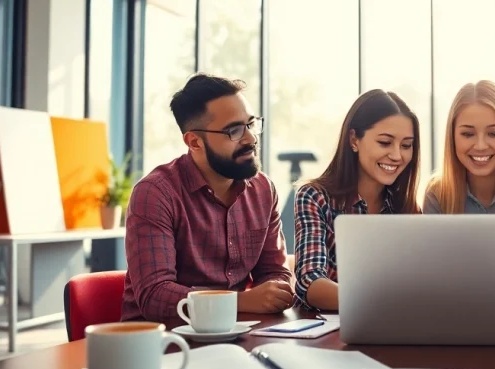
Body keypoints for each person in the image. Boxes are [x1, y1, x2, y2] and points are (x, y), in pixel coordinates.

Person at [121, 74, 294, 328]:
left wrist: (276, 291)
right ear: (194, 142)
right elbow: (155, 297)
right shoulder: (155, 193)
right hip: (161, 342)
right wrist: (240, 301)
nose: (250, 139)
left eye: (251, 124)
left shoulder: (263, 190)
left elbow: (275, 273)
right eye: (234, 131)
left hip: (235, 333)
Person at [294, 89, 422, 311]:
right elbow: (310, 281)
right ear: (354, 139)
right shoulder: (314, 197)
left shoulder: (407, 208)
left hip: (388, 327)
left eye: (406, 145)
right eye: (384, 142)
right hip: (323, 330)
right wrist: (380, 303)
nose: (397, 155)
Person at [424, 80, 495, 214]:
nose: (480, 146)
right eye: (468, 134)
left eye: (494, 133)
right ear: (452, 137)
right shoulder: (437, 195)